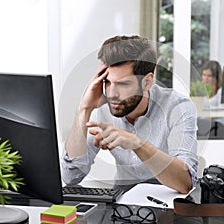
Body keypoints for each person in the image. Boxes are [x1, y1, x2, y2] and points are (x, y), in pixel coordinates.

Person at [61, 35, 198, 194]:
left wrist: (137, 143)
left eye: (123, 84)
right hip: (122, 206)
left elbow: (185, 182)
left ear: (146, 82)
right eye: (107, 82)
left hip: (169, 203)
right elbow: (71, 177)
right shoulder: (101, 107)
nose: (111, 94)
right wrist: (84, 109)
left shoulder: (177, 107)